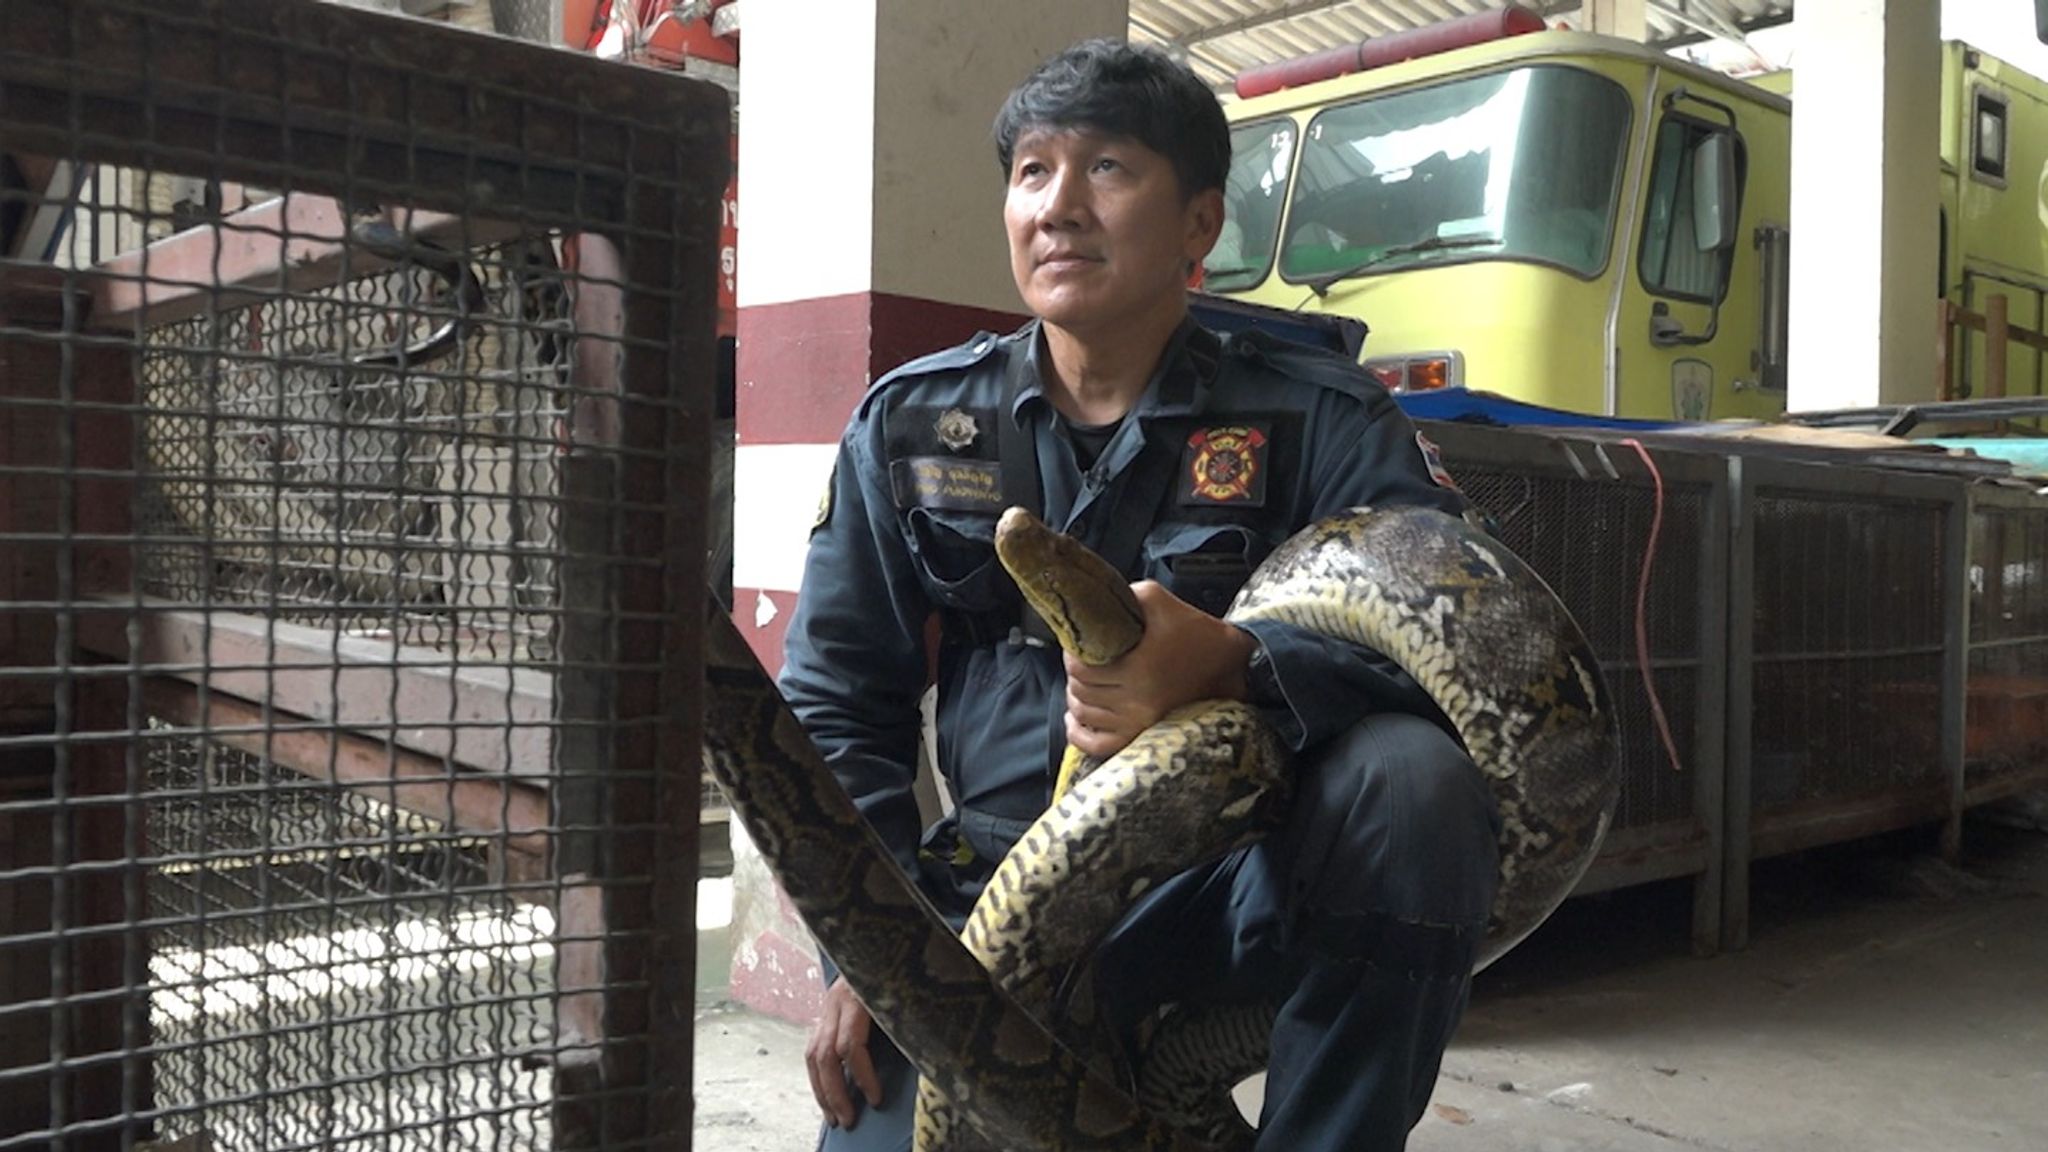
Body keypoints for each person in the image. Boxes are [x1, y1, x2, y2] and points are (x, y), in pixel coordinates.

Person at [778, 37, 1502, 1152]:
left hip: (1233, 896)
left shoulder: (1320, 418)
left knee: (1413, 782)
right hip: (990, 891)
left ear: (1198, 225)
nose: (1057, 206)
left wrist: (1236, 666)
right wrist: (872, 960)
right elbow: (835, 706)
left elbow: (1464, 660)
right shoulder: (913, 425)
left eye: (1106, 169)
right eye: (1030, 172)